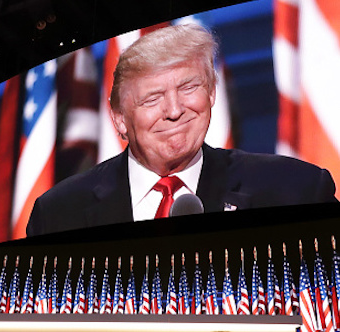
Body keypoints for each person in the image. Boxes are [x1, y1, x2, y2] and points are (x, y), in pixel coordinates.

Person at [26, 23, 336, 237]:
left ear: (212, 92)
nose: (174, 111)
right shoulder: (57, 215)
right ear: (119, 118)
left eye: (188, 87)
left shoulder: (296, 191)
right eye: (152, 98)